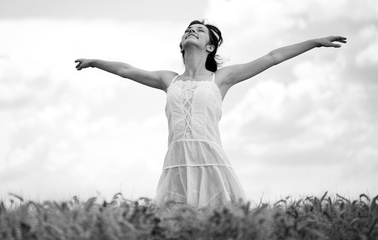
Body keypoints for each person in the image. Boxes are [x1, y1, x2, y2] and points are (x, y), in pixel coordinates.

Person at [75, 19, 346, 207]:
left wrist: (314, 42)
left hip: (212, 161)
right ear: (182, 44)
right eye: (188, 30)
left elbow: (272, 57)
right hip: (178, 163)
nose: (191, 31)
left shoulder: (221, 79)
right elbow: (126, 69)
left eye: (199, 30)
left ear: (210, 47)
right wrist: (96, 62)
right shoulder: (168, 79)